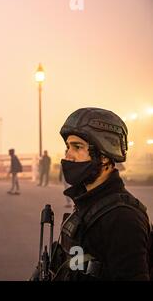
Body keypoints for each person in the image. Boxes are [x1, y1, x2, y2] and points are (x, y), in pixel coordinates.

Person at [49, 107, 151, 280]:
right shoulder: (87, 203)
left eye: (77, 147)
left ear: (104, 156)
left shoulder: (123, 219)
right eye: (68, 147)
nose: (68, 156)